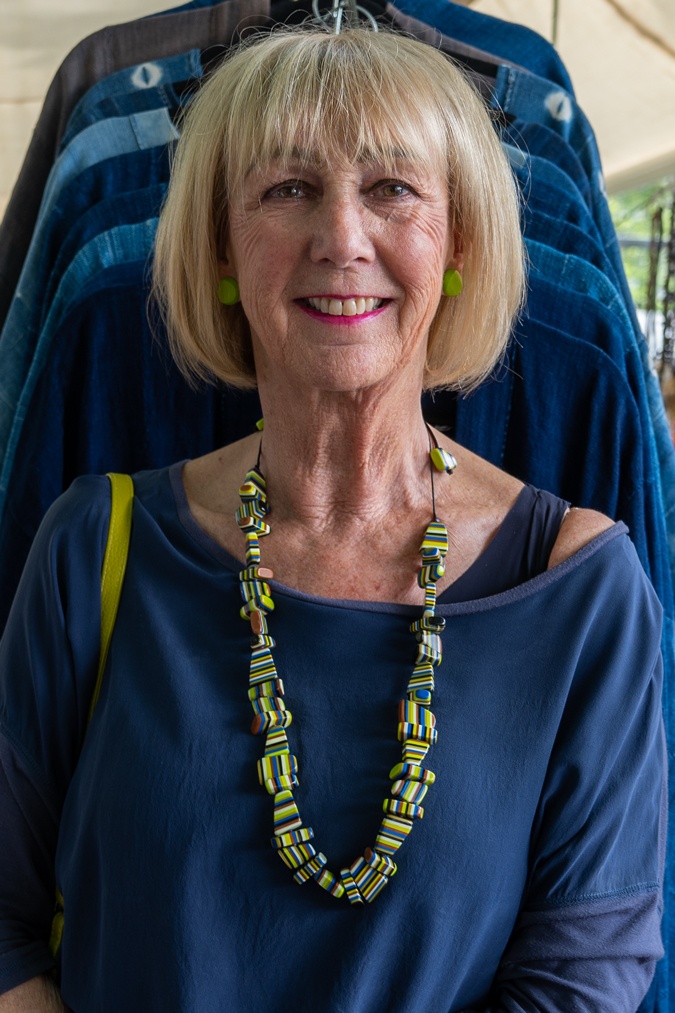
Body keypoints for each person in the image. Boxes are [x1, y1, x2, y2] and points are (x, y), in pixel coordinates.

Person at [0, 25, 665, 1013]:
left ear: (459, 250)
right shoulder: (94, 546)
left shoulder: (580, 591)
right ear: (223, 250)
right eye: (288, 189)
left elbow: (584, 974)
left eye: (392, 188)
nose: (341, 239)